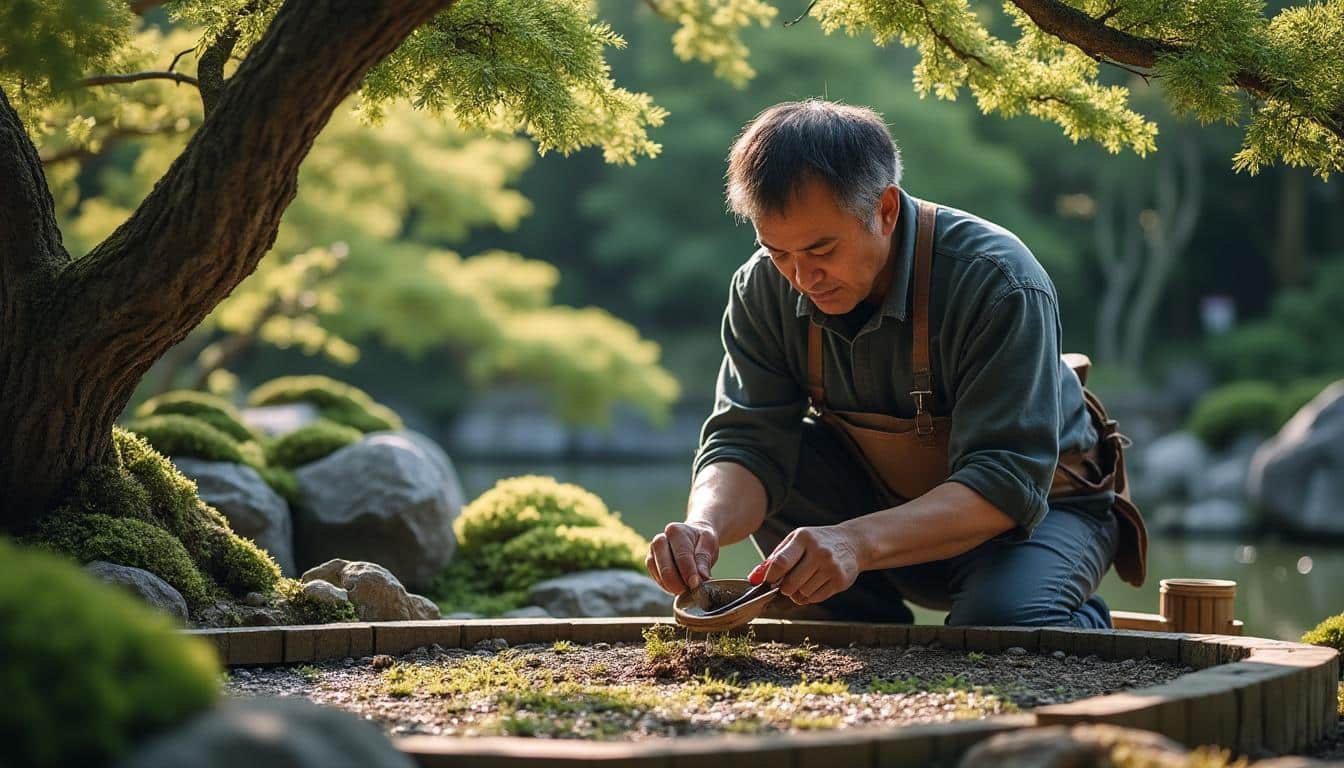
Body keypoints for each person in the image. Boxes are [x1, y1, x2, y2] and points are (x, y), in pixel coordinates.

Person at [645, 100, 1146, 628]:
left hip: (1041, 517)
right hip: (879, 518)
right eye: (778, 253)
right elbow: (746, 442)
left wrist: (853, 541)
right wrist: (703, 525)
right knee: (798, 503)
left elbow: (1006, 481)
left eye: (821, 249)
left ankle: (1072, 620)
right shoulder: (762, 287)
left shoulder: (997, 281)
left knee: (998, 625)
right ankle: (858, 631)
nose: (801, 277)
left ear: (885, 210)